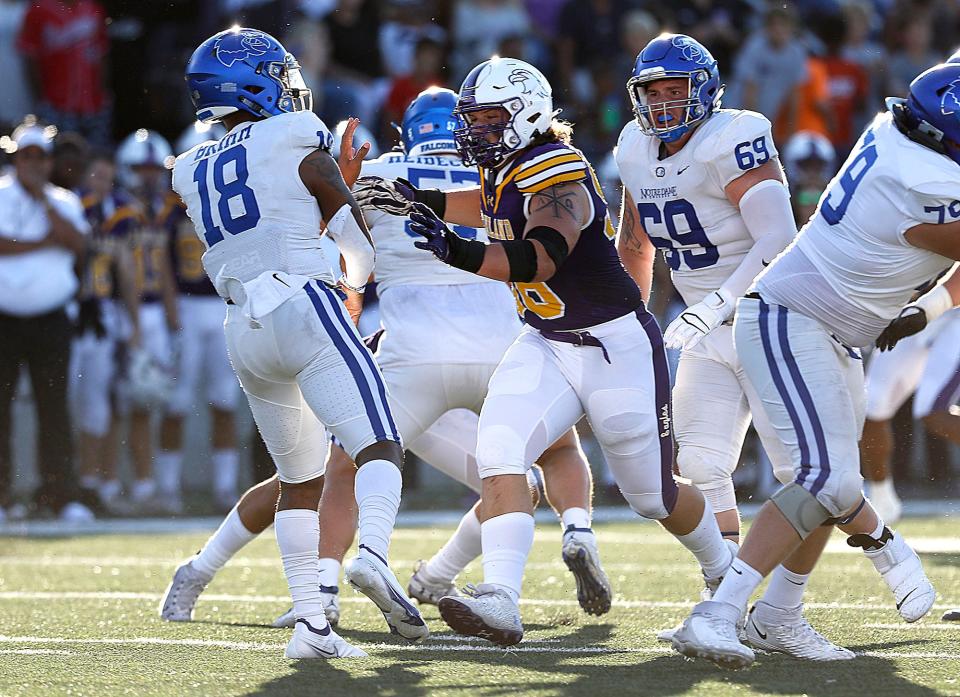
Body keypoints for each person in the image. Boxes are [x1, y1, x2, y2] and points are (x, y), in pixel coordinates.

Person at [358, 57, 733, 647]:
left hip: (616, 346)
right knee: (501, 453)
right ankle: (502, 599)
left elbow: (538, 258)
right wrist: (419, 195)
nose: (475, 131)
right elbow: (481, 207)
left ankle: (725, 573)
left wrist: (455, 252)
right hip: (546, 341)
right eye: (472, 120)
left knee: (652, 495)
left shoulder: (557, 173)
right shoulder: (506, 167)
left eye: (488, 119)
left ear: (525, 114)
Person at [670, 62, 960, 669]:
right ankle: (719, 614)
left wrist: (924, 311)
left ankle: (778, 616)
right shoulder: (925, 177)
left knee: (834, 480)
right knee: (825, 478)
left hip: (836, 330)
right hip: (791, 318)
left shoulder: (899, 133)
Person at [169, 26, 425, 659]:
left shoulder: (189, 166)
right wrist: (359, 278)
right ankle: (370, 557)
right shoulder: (296, 134)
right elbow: (345, 222)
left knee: (300, 480)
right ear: (255, 81)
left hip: (243, 327)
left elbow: (267, 205)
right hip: (303, 303)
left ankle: (313, 626)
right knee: (380, 443)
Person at [616, 33, 851, 660]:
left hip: (771, 316)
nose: (663, 105)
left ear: (705, 90)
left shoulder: (735, 134)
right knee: (698, 465)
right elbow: (635, 240)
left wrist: (718, 304)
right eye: (652, 92)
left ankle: (785, 611)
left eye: (676, 90)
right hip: (702, 325)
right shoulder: (633, 147)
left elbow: (779, 239)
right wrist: (633, 317)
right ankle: (724, 603)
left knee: (808, 476)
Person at [0, 122, 91, 521]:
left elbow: (78, 243)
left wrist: (44, 202)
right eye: (27, 156)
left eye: (41, 157)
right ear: (15, 158)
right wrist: (40, 243)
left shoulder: (64, 201)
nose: (34, 164)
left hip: (52, 320)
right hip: (5, 321)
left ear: (50, 162)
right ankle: (2, 498)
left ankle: (59, 495)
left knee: (54, 409)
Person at [114, 129, 181, 511]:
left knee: (157, 398)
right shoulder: (118, 209)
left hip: (157, 310)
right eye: (140, 168)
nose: (149, 176)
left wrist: (175, 320)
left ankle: (152, 484)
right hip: (124, 312)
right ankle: (129, 484)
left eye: (155, 169)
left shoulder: (166, 210)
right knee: (126, 401)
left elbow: (168, 269)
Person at [73, 151, 142, 513]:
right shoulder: (68, 207)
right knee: (64, 400)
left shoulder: (120, 214)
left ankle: (91, 482)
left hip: (102, 316)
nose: (100, 183)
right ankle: (68, 483)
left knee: (99, 404)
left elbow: (128, 274)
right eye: (95, 174)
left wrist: (133, 324)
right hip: (67, 313)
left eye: (106, 177)